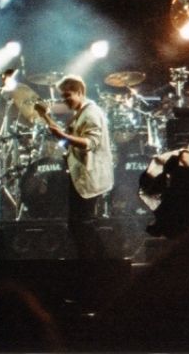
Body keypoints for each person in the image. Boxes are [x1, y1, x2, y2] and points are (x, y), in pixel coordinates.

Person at [37, 75, 113, 259]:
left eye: (68, 95)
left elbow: (90, 143)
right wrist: (45, 116)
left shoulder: (91, 113)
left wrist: (63, 136)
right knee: (78, 224)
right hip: (81, 176)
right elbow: (64, 137)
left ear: (80, 92)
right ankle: (96, 262)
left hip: (89, 176)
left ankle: (99, 263)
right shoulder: (80, 113)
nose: (65, 101)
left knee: (82, 224)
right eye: (63, 97)